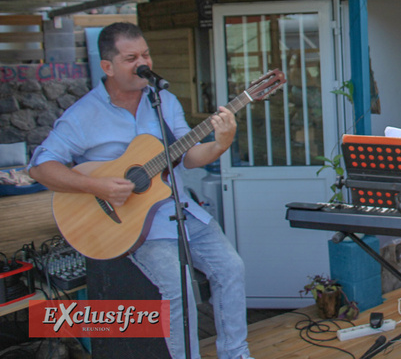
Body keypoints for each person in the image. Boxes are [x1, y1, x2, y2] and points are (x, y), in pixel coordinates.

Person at [29, 22, 254, 359]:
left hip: (179, 208)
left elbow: (189, 156)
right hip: (130, 223)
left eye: (146, 54)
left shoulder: (163, 100)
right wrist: (98, 186)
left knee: (231, 268)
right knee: (178, 289)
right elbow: (40, 167)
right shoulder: (83, 115)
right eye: (131, 57)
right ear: (107, 67)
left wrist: (221, 143)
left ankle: (236, 354)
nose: (143, 63)